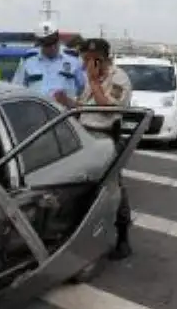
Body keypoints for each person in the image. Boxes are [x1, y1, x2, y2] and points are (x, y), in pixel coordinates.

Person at [53, 37, 134, 261]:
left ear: (103, 59)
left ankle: (123, 236)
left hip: (106, 136)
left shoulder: (118, 78)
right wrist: (66, 101)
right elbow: (85, 106)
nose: (87, 63)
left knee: (113, 185)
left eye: (91, 59)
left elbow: (107, 109)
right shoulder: (92, 79)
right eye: (85, 59)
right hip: (84, 133)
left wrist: (93, 80)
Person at [10, 22, 84, 99]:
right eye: (48, 45)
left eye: (54, 43)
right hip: (36, 108)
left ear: (58, 39)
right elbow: (17, 88)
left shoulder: (73, 60)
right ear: (40, 43)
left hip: (65, 110)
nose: (52, 47)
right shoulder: (28, 60)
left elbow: (82, 88)